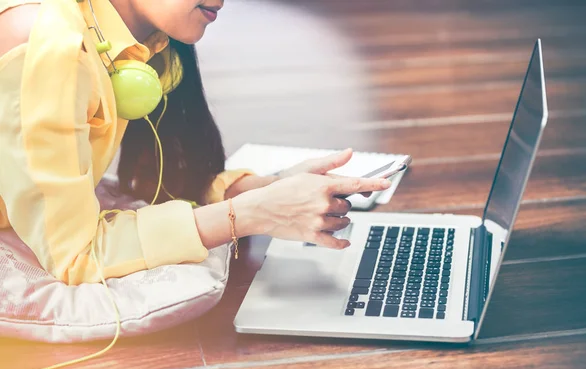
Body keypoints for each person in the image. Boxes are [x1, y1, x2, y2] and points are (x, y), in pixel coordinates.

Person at [0, 0, 391, 286]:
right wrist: (253, 213)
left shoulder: (141, 39)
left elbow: (161, 179)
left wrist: (267, 189)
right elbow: (77, 256)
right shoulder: (47, 41)